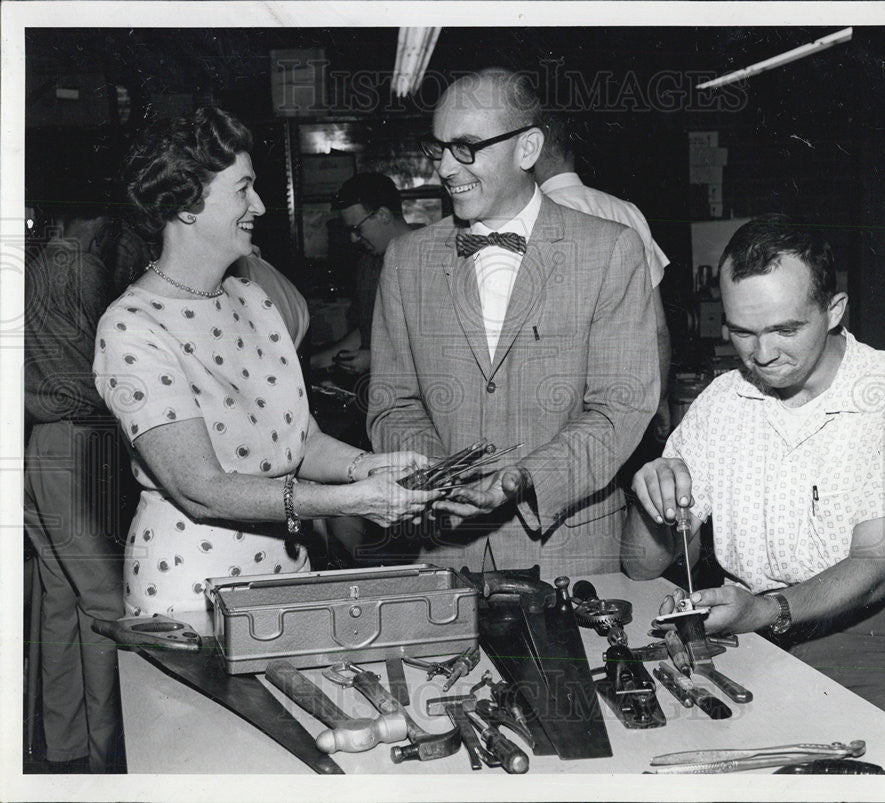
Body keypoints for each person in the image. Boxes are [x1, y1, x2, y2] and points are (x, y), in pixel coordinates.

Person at [623, 214, 885, 746]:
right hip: (749, 631)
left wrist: (766, 610)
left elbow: (872, 572)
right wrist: (652, 489)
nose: (762, 355)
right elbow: (642, 566)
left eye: (785, 329)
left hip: (876, 634)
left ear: (834, 311)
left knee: (881, 771)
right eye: (742, 332)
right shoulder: (721, 402)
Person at [93, 107, 439, 617]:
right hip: (192, 594)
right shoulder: (132, 329)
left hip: (289, 575)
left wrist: (366, 466)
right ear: (188, 203)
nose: (258, 203)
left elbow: (302, 440)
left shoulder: (253, 300)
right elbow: (202, 491)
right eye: (242, 189)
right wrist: (347, 501)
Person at [368, 69, 659, 577]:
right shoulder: (405, 259)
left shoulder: (610, 249)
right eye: (438, 148)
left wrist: (524, 478)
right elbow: (392, 403)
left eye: (466, 147)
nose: (445, 168)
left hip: (571, 554)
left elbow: (621, 406)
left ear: (527, 149)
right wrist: (441, 477)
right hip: (442, 553)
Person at [24, 179, 140, 772]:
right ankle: (109, 757)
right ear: (99, 221)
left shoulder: (30, 268)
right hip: (82, 443)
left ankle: (63, 745)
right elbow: (110, 369)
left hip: (39, 444)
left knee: (60, 602)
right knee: (106, 603)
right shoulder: (86, 271)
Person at [534, 111, 672, 437]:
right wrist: (660, 399)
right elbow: (658, 329)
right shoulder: (626, 212)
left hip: (558, 417)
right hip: (625, 406)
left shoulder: (527, 223)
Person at [311, 173, 416, 377]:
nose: (353, 238)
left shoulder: (432, 261)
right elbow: (366, 329)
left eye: (357, 229)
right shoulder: (369, 262)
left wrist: (375, 359)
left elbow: (438, 343)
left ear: (383, 215)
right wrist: (316, 361)